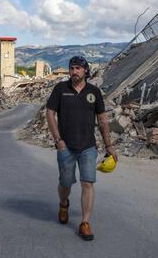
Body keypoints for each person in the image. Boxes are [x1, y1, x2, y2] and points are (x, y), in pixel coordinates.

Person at [46, 55, 117, 241]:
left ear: (86, 71)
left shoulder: (94, 92)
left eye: (78, 68)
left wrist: (109, 145)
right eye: (72, 68)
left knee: (88, 183)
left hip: (88, 147)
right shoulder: (61, 89)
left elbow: (102, 120)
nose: (74, 71)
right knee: (65, 183)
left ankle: (85, 223)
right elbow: (50, 113)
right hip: (66, 146)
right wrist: (57, 140)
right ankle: (63, 204)